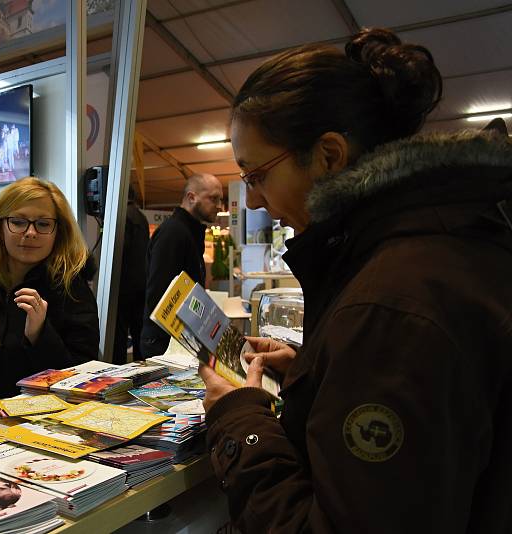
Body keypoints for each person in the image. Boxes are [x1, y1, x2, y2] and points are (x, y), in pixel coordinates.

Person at [200, 28, 512, 533]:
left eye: (256, 174)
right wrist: (319, 372)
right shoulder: (443, 242)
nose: (253, 199)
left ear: (328, 155)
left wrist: (239, 418)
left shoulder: (393, 302)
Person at [0, 177, 99, 398]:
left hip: (37, 424)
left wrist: (39, 334)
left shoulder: (72, 290)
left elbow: (84, 380)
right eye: (19, 222)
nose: (30, 232)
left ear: (58, 231)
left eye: (43, 224)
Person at [140, 173, 223, 358]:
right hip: (165, 345)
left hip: (179, 341)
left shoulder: (188, 232)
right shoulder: (174, 233)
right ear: (191, 197)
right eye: (213, 198)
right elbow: (158, 295)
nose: (219, 206)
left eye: (220, 199)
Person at [111, 187, 150, 363]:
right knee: (138, 331)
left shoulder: (121, 216)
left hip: (123, 285)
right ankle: (143, 370)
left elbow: (121, 250)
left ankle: (119, 372)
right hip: (141, 284)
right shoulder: (141, 217)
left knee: (118, 336)